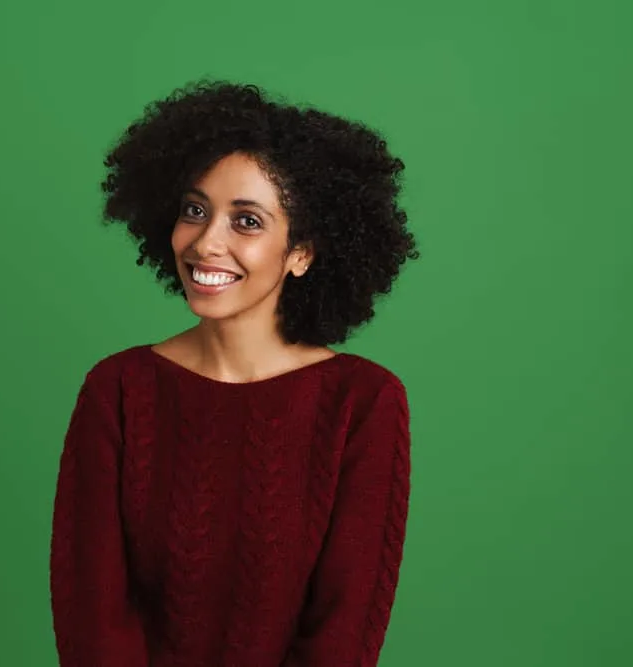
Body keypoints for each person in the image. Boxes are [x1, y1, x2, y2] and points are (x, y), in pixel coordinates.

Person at [50, 80, 419, 667]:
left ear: (301, 252)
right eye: (195, 211)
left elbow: (342, 635)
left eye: (246, 222)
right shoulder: (118, 390)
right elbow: (92, 619)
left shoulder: (363, 402)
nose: (205, 243)